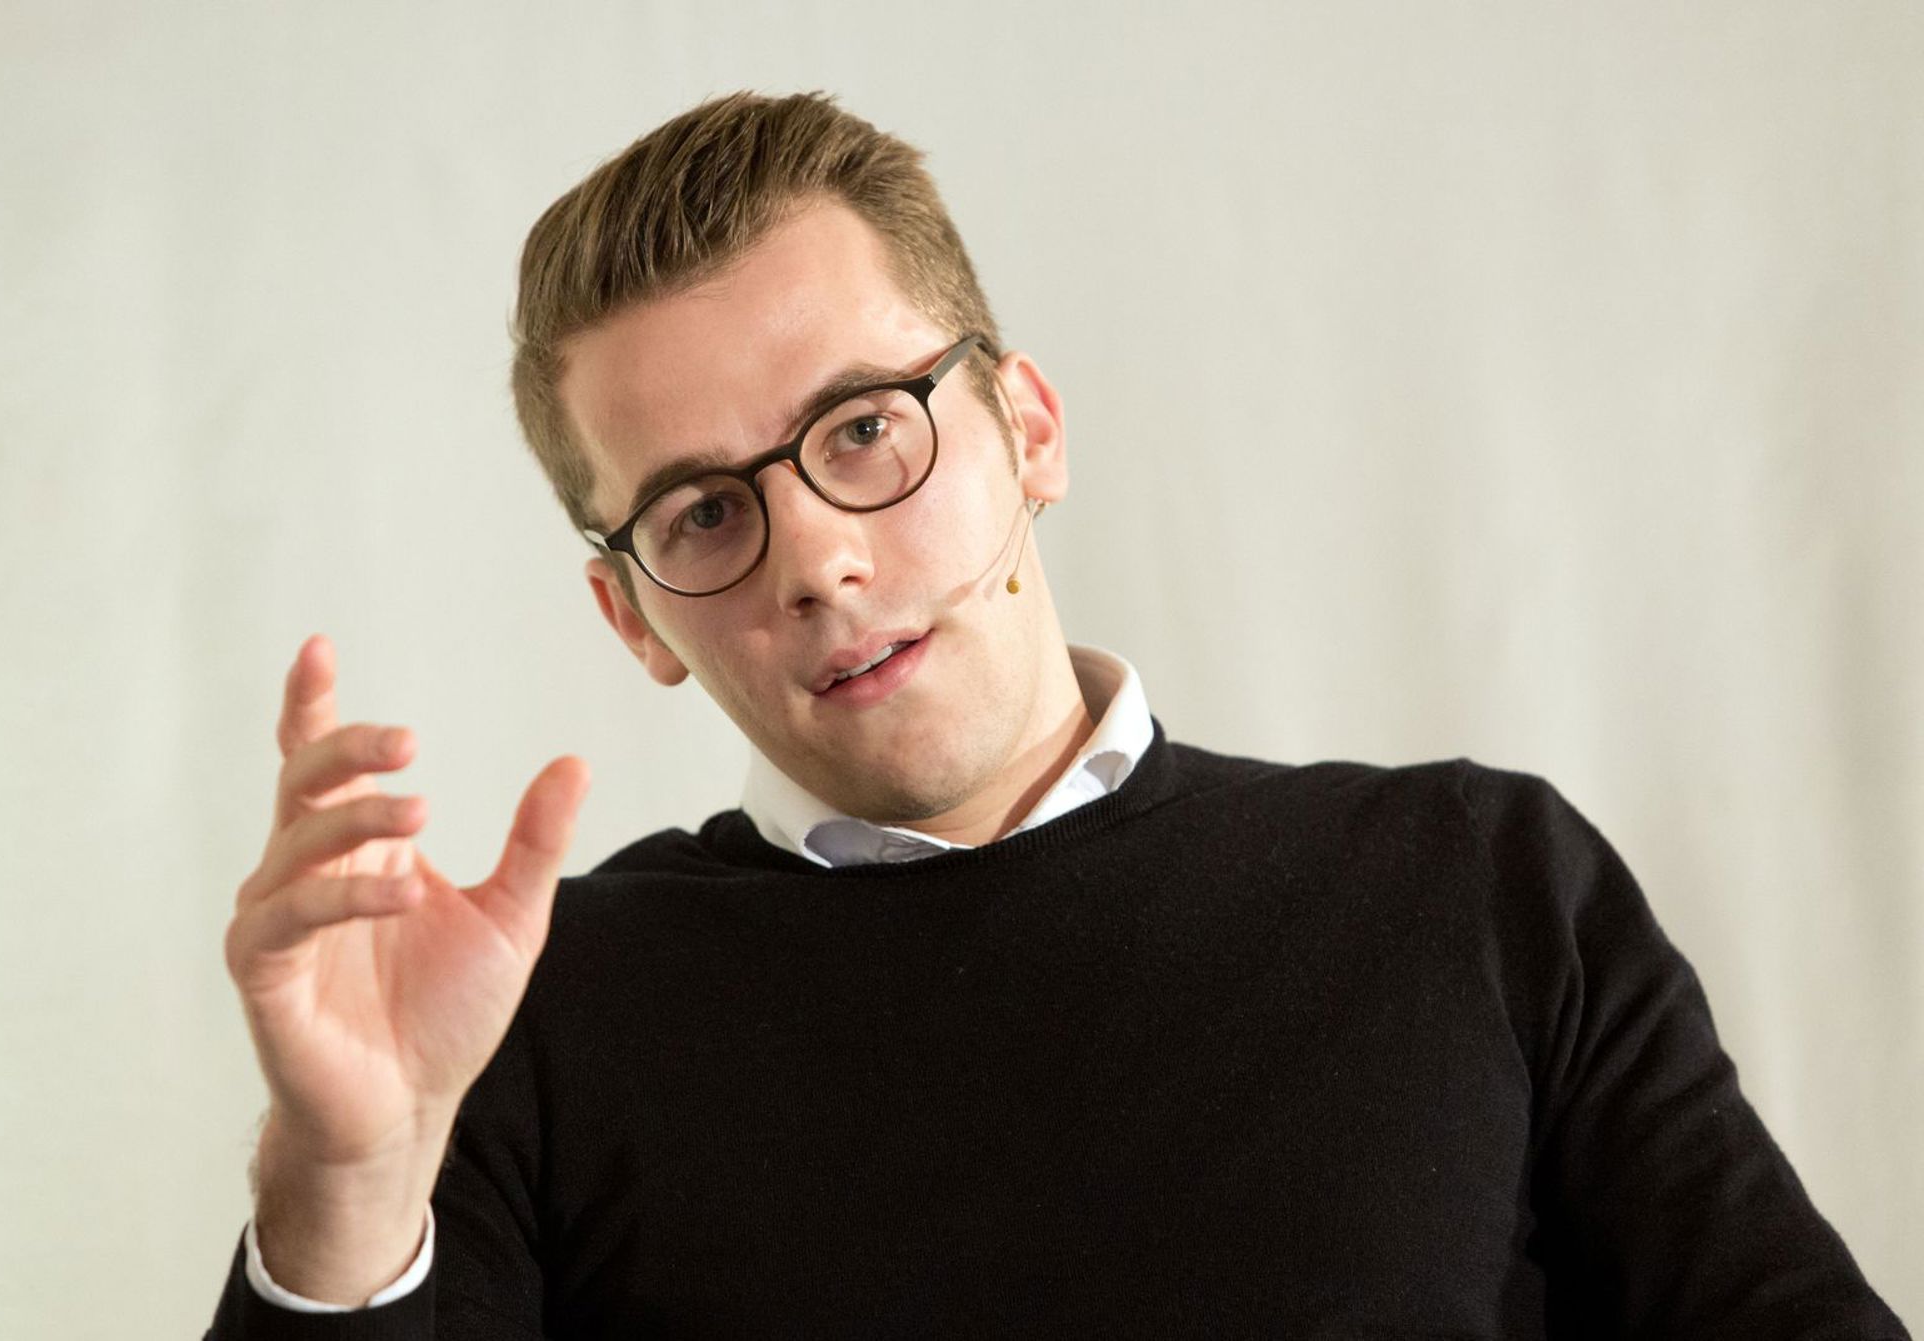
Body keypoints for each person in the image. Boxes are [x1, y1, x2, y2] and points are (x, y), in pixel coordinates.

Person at [205, 91, 1908, 1339]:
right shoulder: (523, 1018)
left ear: (1028, 428)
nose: (817, 560)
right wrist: (343, 1188)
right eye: (704, 512)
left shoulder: (1476, 879)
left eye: (863, 427)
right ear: (632, 615)